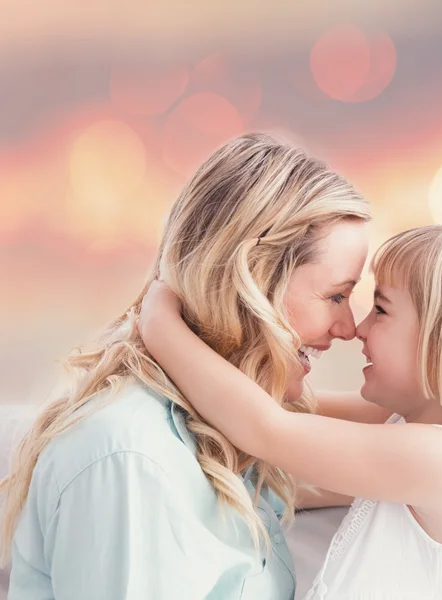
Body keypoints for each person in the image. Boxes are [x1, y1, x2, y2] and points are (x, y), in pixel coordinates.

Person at [0, 133, 374, 600]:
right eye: (336, 295)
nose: (348, 328)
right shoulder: (131, 458)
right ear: (251, 285)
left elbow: (393, 433)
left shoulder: (220, 435)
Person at [137, 224, 442, 600]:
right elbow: (282, 404)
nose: (358, 329)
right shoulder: (412, 428)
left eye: (380, 310)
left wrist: (160, 323)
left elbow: (266, 428)